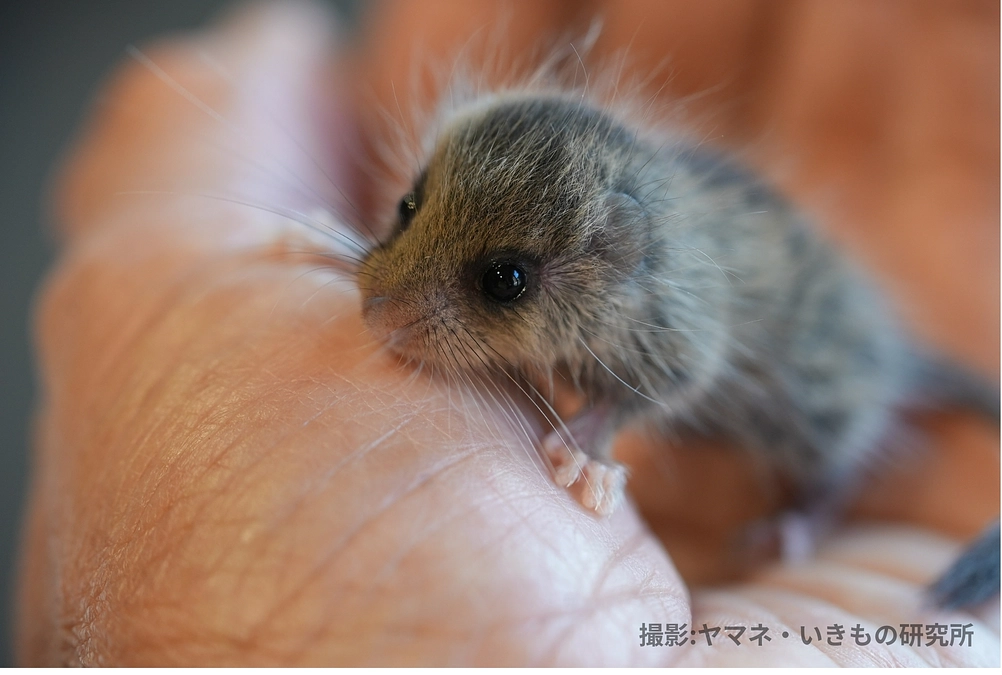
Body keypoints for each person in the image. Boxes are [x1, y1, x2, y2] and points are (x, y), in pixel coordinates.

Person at [17, 0, 999, 665]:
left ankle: (820, 500)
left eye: (502, 282)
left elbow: (681, 364)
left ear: (607, 261)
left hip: (828, 354)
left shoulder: (656, 304)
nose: (389, 298)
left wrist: (595, 429)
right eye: (406, 220)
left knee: (822, 424)